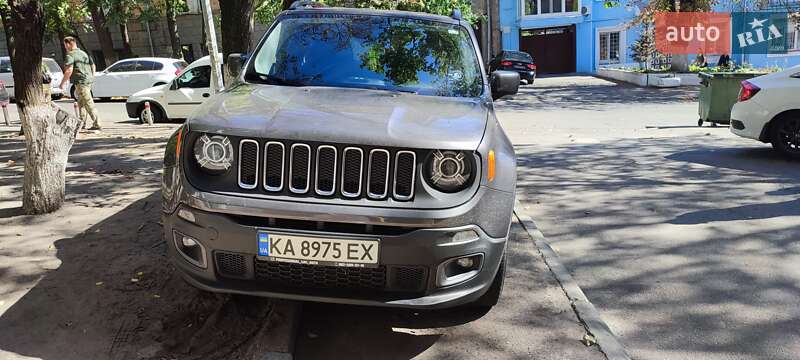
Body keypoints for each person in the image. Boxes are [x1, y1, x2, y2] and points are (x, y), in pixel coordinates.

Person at [58, 36, 101, 130]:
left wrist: (62, 83)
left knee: (88, 103)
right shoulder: (83, 53)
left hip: (81, 82)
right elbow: (92, 65)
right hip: (87, 81)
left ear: (69, 44)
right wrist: (92, 76)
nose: (65, 47)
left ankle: (97, 124)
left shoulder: (71, 55)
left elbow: (69, 70)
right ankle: (81, 123)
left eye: (65, 45)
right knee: (81, 103)